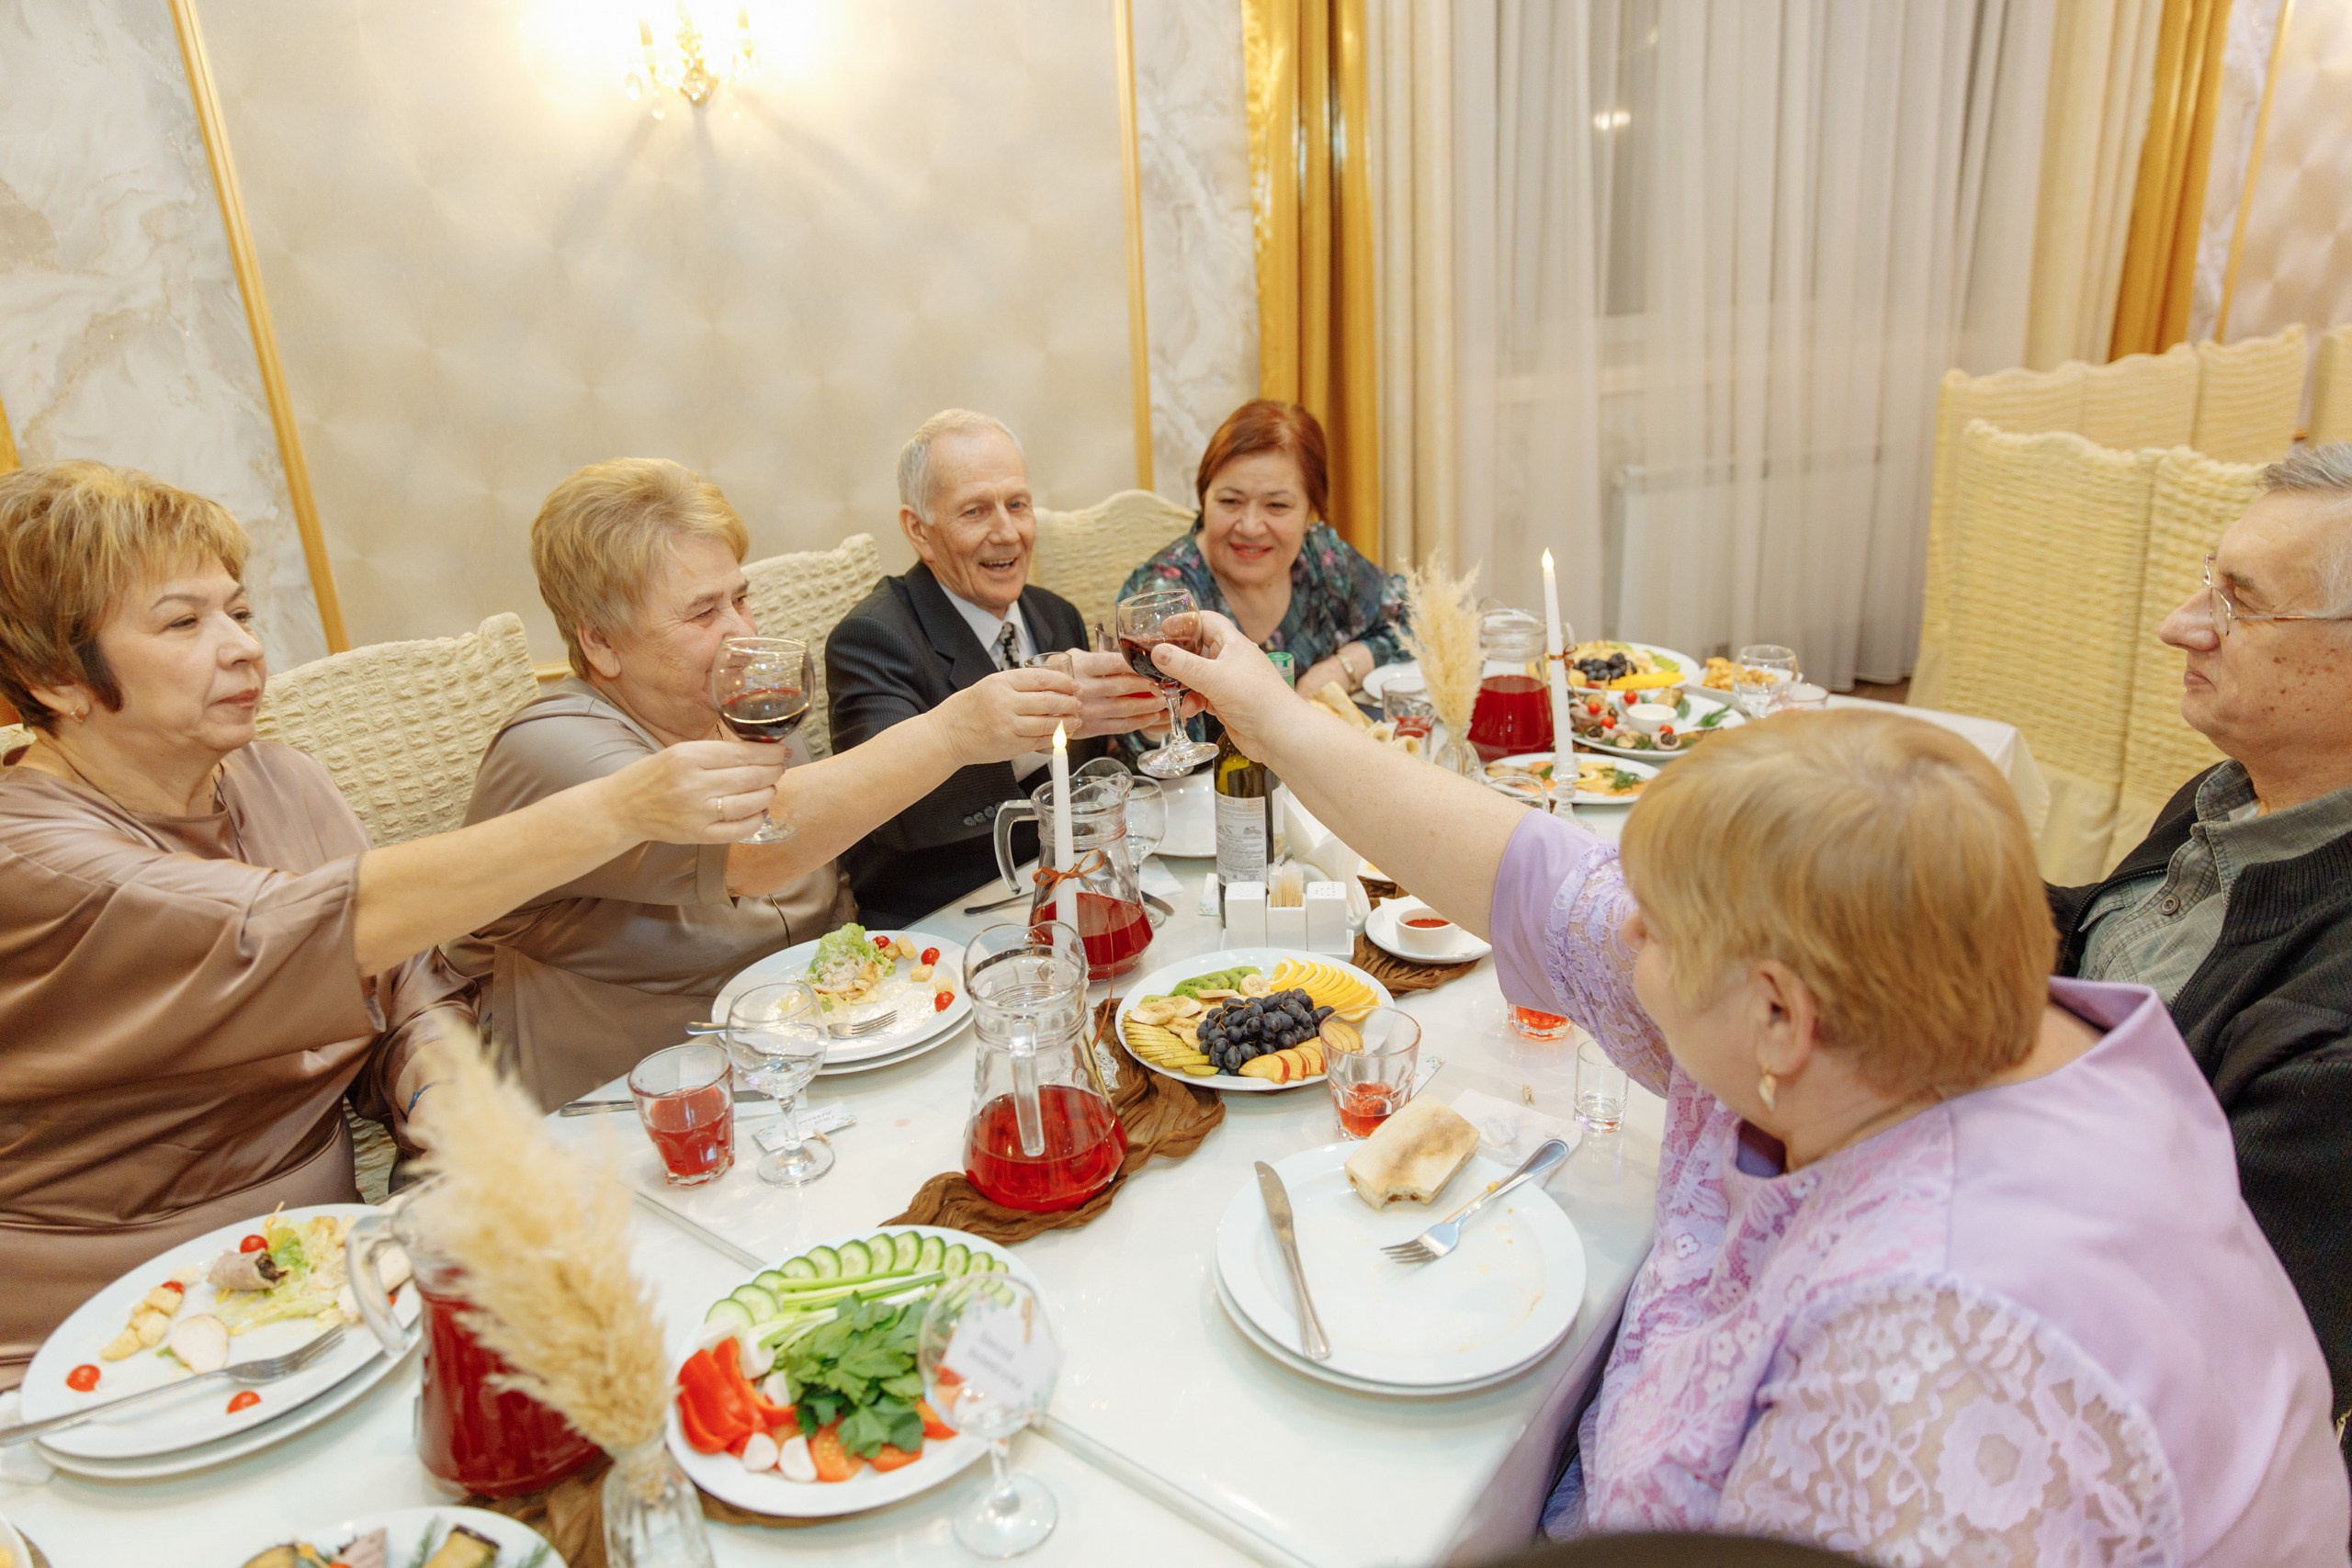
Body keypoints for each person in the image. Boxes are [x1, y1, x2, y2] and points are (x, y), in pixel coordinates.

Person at [1151, 612, 2349, 1562]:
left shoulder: (1933, 1365)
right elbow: (1533, 872)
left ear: (1782, 1013)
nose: (1621, 939)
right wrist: (1272, 712)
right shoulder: (1920, 1009)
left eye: (1656, 931)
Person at [0, 462, 783, 1385]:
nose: (243, 648)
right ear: (56, 678)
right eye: (183, 622)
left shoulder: (282, 780)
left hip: (329, 1286)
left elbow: (404, 990)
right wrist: (614, 811)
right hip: (96, 1343)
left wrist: (445, 1110)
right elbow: (268, 935)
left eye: (240, 614)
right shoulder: (29, 856)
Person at [451, 458, 1089, 1109]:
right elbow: (752, 852)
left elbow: (833, 893)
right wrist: (954, 732)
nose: (744, 632)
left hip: (808, 1086)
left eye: (741, 597)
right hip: (612, 1123)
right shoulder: (552, 751)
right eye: (704, 613)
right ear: (601, 643)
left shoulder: (748, 715)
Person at [2052, 444, 2352, 1460]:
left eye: (2235, 602)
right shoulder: (2245, 791)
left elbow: (2204, 1353)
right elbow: (2098, 939)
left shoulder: (2332, 1026)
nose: (2180, 625)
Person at [827, 411, 1166, 925]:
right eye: (975, 511)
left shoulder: (1055, 615)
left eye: (1017, 504)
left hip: (1069, 892)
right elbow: (892, 814)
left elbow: (1083, 771)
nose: (1007, 533)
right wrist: (1026, 734)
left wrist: (1144, 723)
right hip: (941, 922)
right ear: (919, 530)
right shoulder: (873, 638)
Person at [1116, 399, 1407, 725]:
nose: (1250, 527)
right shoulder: (1167, 598)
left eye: (1277, 505)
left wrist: (1342, 668)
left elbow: (1414, 614)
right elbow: (1142, 739)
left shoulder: (1322, 558)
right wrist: (1155, 720)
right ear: (1204, 499)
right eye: (1230, 501)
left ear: (1310, 512)